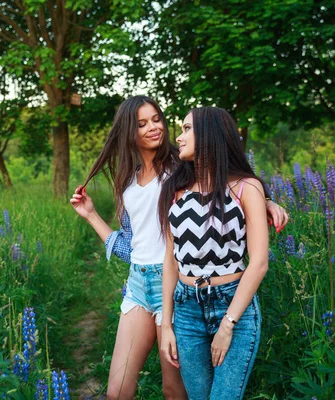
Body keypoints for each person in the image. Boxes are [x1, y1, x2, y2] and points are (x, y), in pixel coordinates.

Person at [70, 96, 288, 399]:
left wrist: (263, 200)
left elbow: (225, 183)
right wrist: (92, 216)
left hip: (174, 283)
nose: (154, 127)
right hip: (139, 283)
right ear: (128, 131)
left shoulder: (181, 168)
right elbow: (132, 248)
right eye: (142, 123)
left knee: (175, 391)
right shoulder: (128, 182)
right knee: (117, 391)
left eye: (157, 119)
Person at [159, 107, 270, 399]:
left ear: (209, 135)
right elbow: (171, 261)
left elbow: (258, 263)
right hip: (186, 309)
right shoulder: (176, 190)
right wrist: (166, 325)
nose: (179, 138)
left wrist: (227, 324)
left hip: (233, 306)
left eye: (186, 129)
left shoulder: (247, 188)